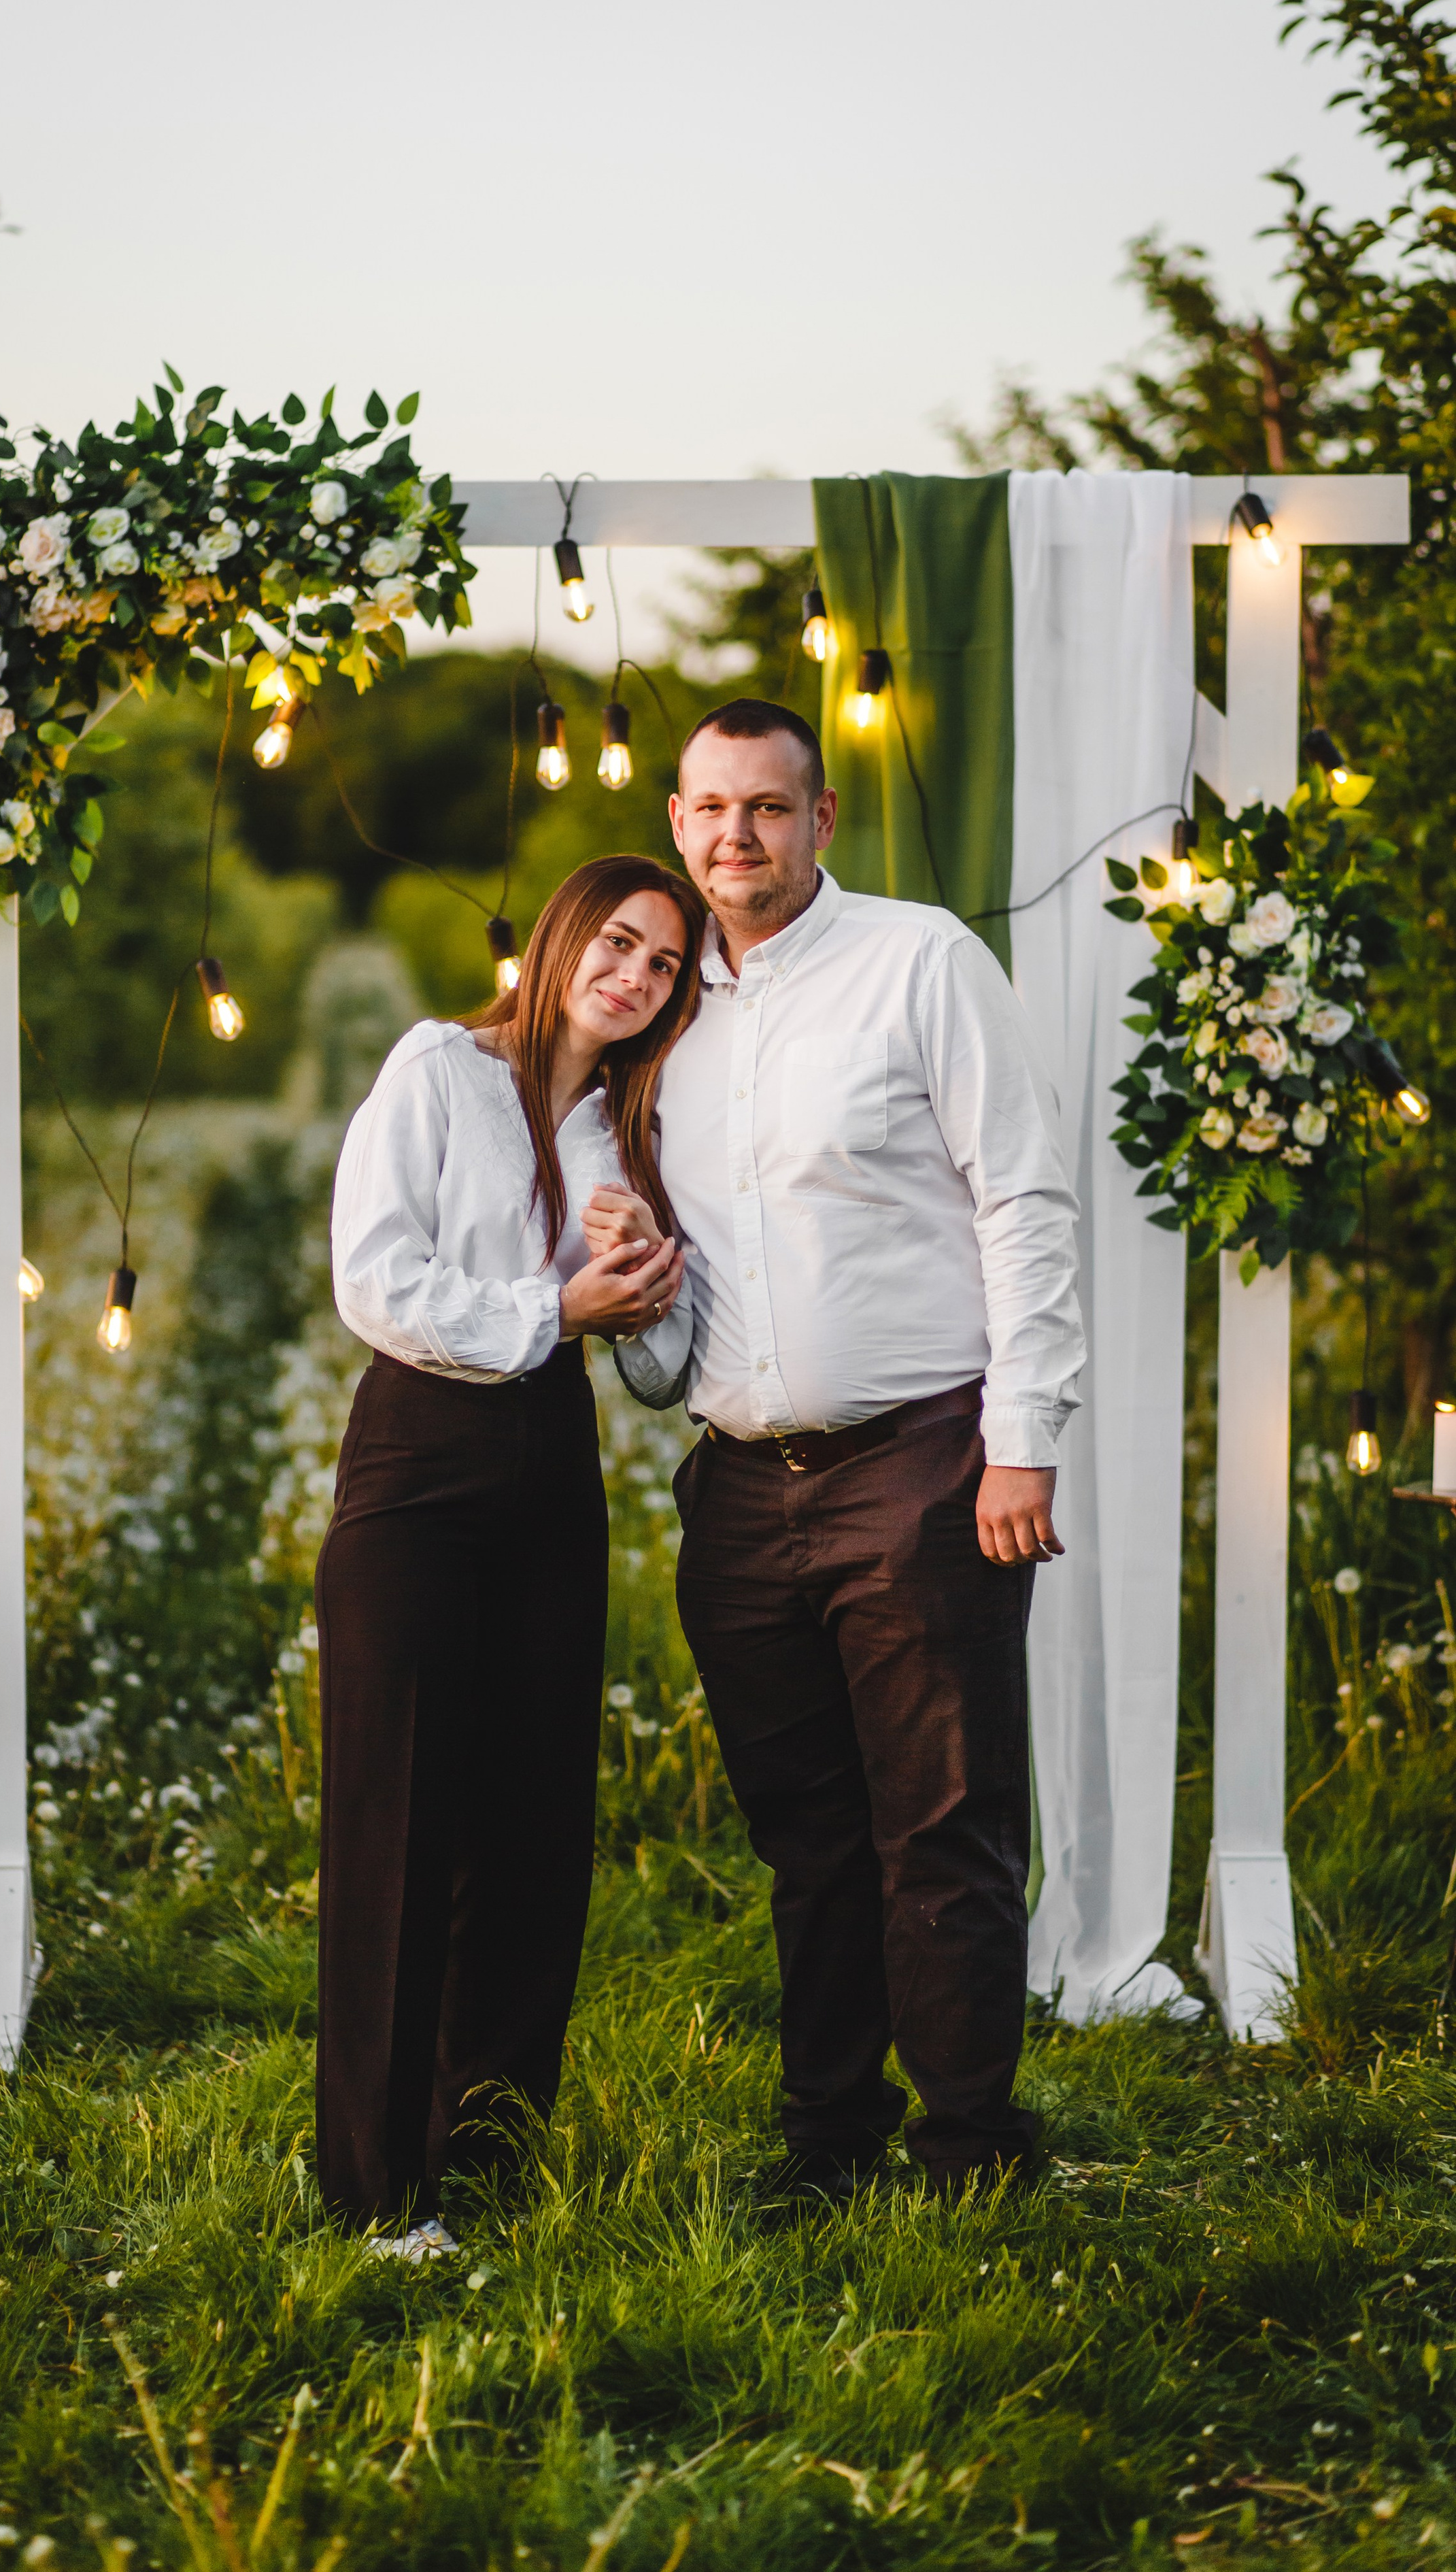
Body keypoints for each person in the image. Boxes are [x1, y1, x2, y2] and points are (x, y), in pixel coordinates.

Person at [590, 699, 1084, 2200]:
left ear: (817, 821)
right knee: (805, 1840)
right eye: (709, 809)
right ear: (675, 823)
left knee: (939, 1830)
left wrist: (1023, 1441)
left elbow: (1022, 1199)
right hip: (738, 1490)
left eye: (767, 807)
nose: (735, 834)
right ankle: (827, 2141)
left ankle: (970, 2148)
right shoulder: (663, 1008)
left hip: (920, 1466)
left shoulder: (919, 959)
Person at [316, 852, 705, 2259]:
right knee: (399, 1819)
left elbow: (659, 1365)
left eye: (662, 964)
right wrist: (557, 1303)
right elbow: (376, 1280)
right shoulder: (435, 1070)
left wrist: (642, 1257)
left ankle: (480, 2162)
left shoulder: (626, 1128)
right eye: (616, 942)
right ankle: (372, 2194)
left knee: (536, 1826)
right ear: (559, 936)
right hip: (421, 1449)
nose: (633, 976)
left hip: (552, 1462)